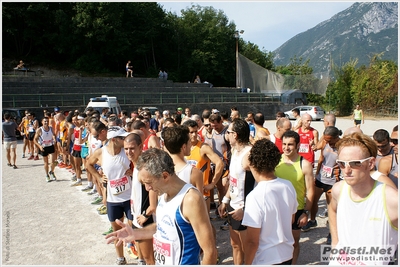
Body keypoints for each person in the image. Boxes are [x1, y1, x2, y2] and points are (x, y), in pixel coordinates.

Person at [105, 148, 218, 265]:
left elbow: (210, 251)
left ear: (165, 176)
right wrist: (135, 234)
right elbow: (163, 227)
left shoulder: (190, 199)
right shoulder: (163, 195)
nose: (147, 188)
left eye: (148, 182)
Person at [328, 132, 398, 265]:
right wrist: (335, 244)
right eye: (342, 164)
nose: (347, 170)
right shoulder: (338, 190)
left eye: (355, 163)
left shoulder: (391, 199)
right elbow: (332, 210)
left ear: (371, 163)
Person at [242, 138, 298, 265]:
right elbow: (291, 219)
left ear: (253, 164)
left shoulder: (255, 196)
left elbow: (252, 241)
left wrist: (247, 264)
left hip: (265, 258)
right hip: (287, 254)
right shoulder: (288, 185)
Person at [87, 126, 132, 265]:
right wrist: (99, 178)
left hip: (130, 197)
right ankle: (120, 257)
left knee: (133, 228)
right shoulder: (101, 153)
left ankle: (141, 257)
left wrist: (133, 171)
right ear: (114, 140)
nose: (125, 140)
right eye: (122, 138)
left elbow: (139, 164)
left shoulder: (127, 151)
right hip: (113, 198)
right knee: (116, 229)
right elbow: (88, 164)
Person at [274, 130, 315, 264]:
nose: (286, 147)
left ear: (298, 145)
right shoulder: (275, 161)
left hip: (296, 210)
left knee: (293, 242)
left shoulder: (305, 164)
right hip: (276, 209)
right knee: (276, 241)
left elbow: (310, 190)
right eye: (284, 144)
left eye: (290, 144)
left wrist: (305, 212)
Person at [217, 118, 254, 265]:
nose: (227, 135)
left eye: (229, 132)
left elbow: (258, 185)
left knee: (248, 249)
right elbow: (233, 180)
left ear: (236, 135)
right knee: (235, 245)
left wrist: (245, 208)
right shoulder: (233, 151)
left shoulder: (249, 155)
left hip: (245, 208)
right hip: (233, 204)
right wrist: (225, 201)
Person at [302, 126, 342, 244]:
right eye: (326, 139)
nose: (328, 142)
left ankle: (331, 232)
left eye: (330, 140)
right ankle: (313, 220)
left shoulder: (342, 146)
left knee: (332, 207)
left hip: (333, 181)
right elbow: (321, 158)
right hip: (321, 178)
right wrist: (317, 174)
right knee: (313, 200)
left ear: (336, 137)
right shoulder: (325, 142)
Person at [125, 133, 157, 265]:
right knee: (147, 257)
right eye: (126, 149)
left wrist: (146, 214)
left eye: (132, 148)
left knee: (149, 258)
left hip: (145, 219)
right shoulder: (137, 166)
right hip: (138, 216)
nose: (128, 152)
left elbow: (153, 191)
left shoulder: (144, 167)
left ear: (140, 147)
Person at [161, 125, 204, 192]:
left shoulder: (159, 170)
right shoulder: (195, 173)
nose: (191, 144)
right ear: (184, 147)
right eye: (189, 142)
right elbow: (199, 201)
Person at [33, 117, 57, 182]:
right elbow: (35, 140)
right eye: (45, 121)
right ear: (42, 122)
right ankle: (47, 175)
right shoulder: (39, 130)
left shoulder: (51, 128)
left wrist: (54, 138)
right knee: (46, 162)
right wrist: (39, 146)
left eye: (47, 121)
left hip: (50, 146)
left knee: (53, 162)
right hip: (43, 147)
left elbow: (54, 135)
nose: (46, 122)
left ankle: (51, 172)